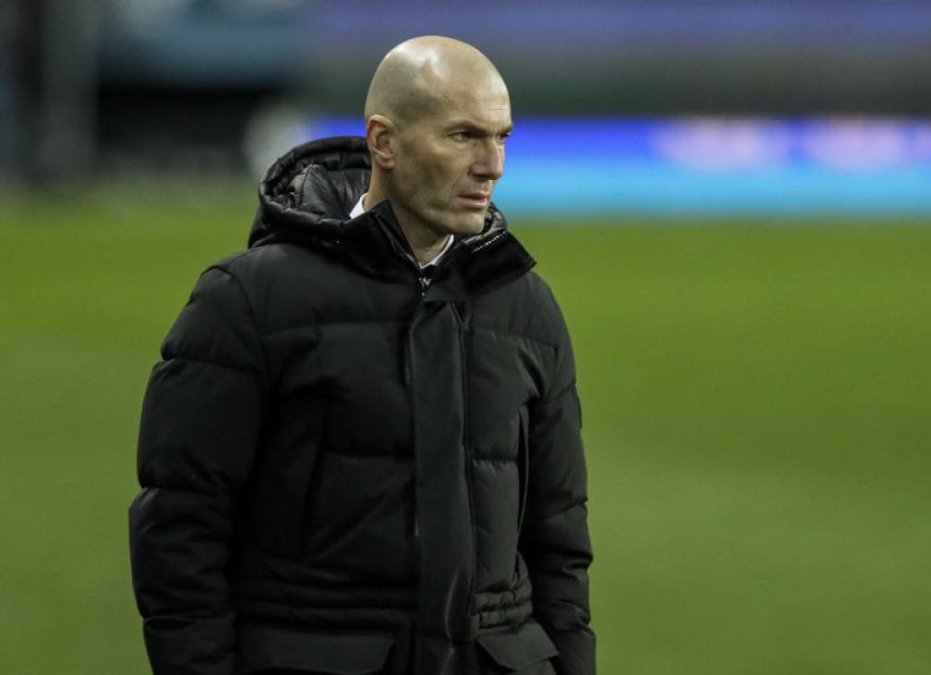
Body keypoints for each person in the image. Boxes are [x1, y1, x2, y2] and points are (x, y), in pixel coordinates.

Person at [129, 36, 594, 675]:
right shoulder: (250, 300)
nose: (493, 165)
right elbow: (181, 526)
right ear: (384, 142)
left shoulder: (527, 307)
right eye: (463, 136)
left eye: (501, 137)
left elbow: (560, 539)